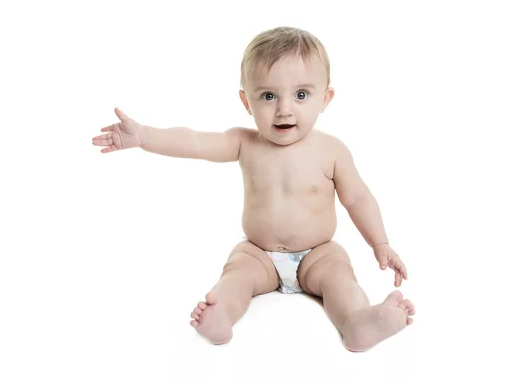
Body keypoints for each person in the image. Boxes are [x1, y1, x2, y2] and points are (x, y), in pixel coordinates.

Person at [92, 26, 415, 351]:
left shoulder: (332, 151)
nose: (284, 108)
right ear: (247, 101)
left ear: (325, 99)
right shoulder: (243, 143)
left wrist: (380, 243)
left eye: (301, 95)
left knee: (341, 282)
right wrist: (145, 135)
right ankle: (220, 316)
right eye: (268, 95)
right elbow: (194, 141)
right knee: (237, 276)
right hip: (258, 252)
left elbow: (358, 197)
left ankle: (357, 322)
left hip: (319, 253)